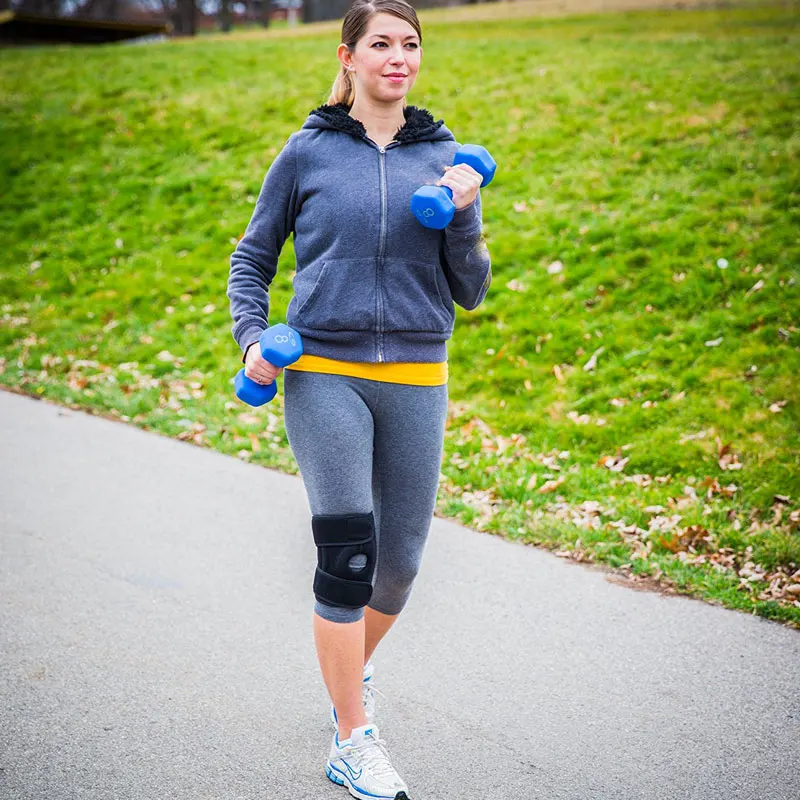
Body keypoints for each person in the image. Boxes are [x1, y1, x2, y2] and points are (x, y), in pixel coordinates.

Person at [227, 1, 492, 797]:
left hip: (417, 370)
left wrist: (465, 219)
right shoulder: (307, 152)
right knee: (349, 555)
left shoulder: (447, 159)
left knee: (400, 569)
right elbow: (253, 256)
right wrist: (249, 338)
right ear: (347, 56)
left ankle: (350, 677)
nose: (399, 57)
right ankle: (352, 737)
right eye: (381, 43)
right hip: (323, 370)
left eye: (411, 44)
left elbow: (471, 290)